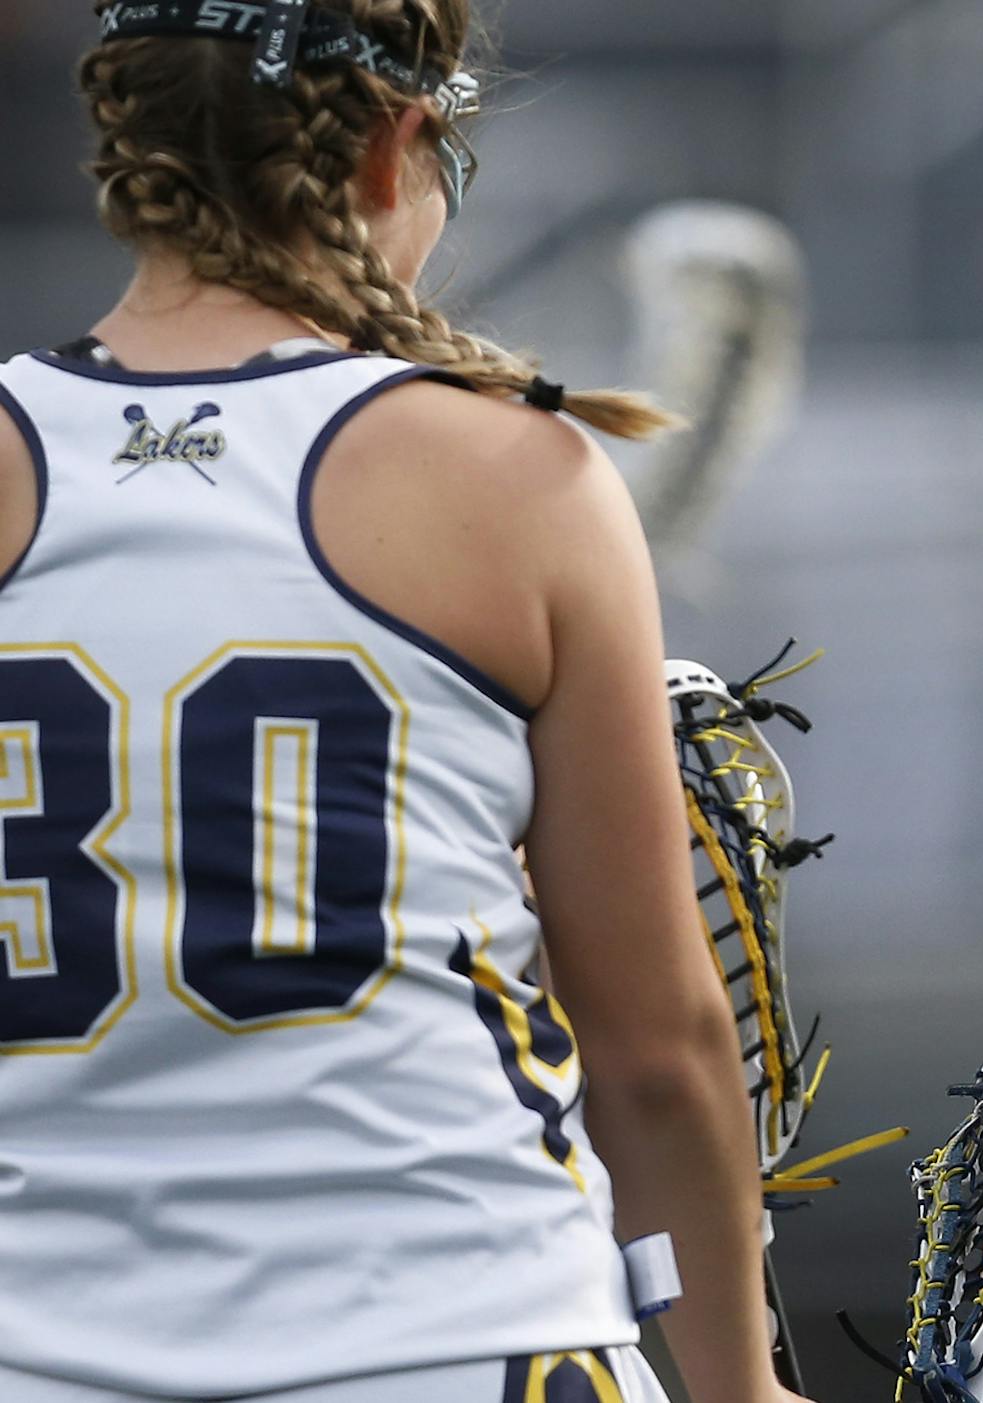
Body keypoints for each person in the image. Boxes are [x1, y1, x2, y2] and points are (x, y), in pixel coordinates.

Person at [0, 4, 801, 1401]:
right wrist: (743, 1382)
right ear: (395, 146)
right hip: (461, 1345)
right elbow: (656, 1050)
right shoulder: (518, 476)